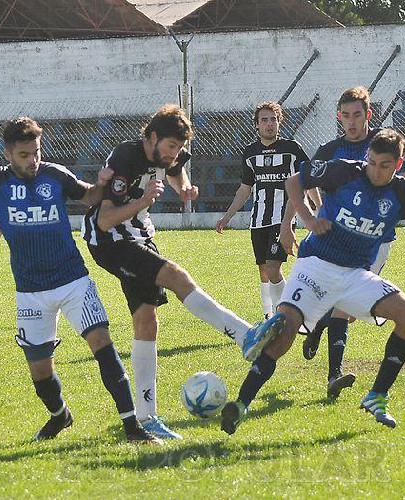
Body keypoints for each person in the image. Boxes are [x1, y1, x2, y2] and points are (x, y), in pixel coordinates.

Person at [0, 116, 163, 444]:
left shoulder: (54, 174)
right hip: (30, 292)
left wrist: (106, 183)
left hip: (73, 281)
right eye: (25, 154)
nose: (33, 160)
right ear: (8, 154)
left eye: (36, 152)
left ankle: (132, 427)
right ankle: (59, 415)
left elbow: (89, 196)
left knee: (102, 345)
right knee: (39, 369)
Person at [220, 129, 405, 434]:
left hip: (354, 276)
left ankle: (377, 395)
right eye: (373, 162)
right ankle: (240, 404)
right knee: (285, 334)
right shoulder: (344, 170)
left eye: (385, 165)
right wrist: (308, 220)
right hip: (315, 266)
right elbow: (295, 181)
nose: (376, 170)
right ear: (367, 157)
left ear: (399, 163)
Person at [81, 104, 284, 440]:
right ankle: (243, 335)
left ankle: (147, 417)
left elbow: (176, 170)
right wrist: (142, 201)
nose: (174, 154)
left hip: (140, 237)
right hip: (111, 241)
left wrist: (184, 188)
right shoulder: (125, 160)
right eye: (171, 147)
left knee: (147, 320)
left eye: (179, 148)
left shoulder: (166, 154)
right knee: (176, 277)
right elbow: (104, 220)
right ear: (152, 136)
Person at [278, 86, 405, 402]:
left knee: (348, 310)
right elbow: (300, 183)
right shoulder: (329, 150)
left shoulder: (385, 144)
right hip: (334, 240)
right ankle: (334, 376)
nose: (351, 122)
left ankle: (316, 327)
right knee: (343, 306)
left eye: (357, 115)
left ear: (369, 115)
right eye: (345, 115)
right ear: (338, 117)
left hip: (375, 241)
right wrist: (287, 225)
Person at [216, 101, 319, 320]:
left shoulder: (292, 149)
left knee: (273, 267)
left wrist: (319, 209)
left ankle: (286, 316)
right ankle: (268, 315)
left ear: (280, 122)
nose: (269, 124)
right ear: (256, 125)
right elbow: (245, 189)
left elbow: (307, 179)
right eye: (264, 120)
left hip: (283, 219)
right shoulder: (250, 153)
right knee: (264, 270)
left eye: (274, 119)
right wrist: (227, 217)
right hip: (258, 220)